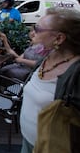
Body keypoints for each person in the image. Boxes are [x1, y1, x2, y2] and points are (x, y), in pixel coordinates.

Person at [20, 8, 80, 153]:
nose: (32, 33)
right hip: (27, 142)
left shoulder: (76, 72)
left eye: (38, 29)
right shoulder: (45, 59)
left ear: (59, 38)